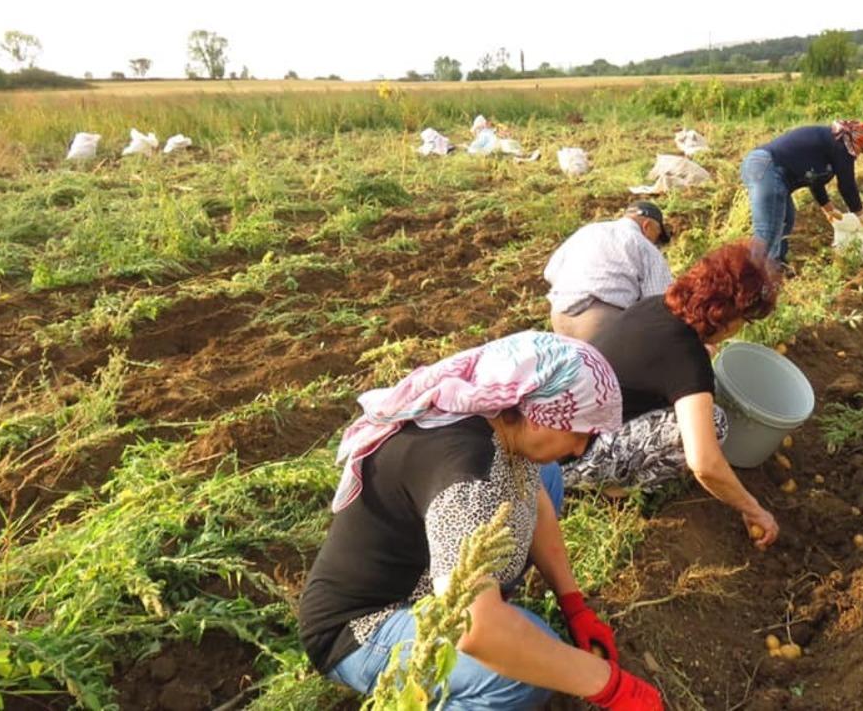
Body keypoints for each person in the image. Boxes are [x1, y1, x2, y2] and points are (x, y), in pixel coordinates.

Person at [299, 331, 662, 710]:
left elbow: (535, 502)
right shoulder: (467, 480)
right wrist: (610, 685)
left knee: (548, 475)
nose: (579, 449)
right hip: (364, 626)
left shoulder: (493, 420)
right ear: (539, 416)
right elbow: (479, 631)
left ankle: (492, 595)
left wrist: (574, 604)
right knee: (518, 673)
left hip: (433, 579)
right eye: (579, 434)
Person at [565, 240, 784, 551]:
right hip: (574, 459)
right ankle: (608, 489)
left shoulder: (655, 306)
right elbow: (705, 463)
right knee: (715, 424)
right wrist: (753, 508)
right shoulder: (685, 357)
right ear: (725, 316)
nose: (739, 329)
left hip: (557, 439)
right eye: (743, 322)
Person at [738, 120, 863, 267]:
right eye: (862, 150)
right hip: (768, 167)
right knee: (768, 231)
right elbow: (847, 185)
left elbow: (814, 177)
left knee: (786, 219)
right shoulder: (842, 146)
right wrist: (862, 215)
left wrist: (827, 208)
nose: (858, 155)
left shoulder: (831, 142)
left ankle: (775, 266)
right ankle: (754, 278)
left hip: (764, 166)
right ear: (856, 141)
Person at [544, 201, 673, 342]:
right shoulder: (644, 246)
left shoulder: (588, 231)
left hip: (559, 319)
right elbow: (659, 305)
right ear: (646, 226)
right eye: (657, 237)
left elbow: (550, 272)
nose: (656, 243)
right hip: (599, 324)